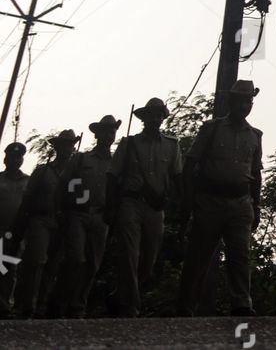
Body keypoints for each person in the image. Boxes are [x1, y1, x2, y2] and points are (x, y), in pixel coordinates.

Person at [176, 81, 262, 316]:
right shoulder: (212, 129)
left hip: (241, 202)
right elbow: (190, 164)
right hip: (209, 200)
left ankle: (242, 303)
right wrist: (189, 200)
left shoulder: (255, 136)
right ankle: (186, 306)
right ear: (231, 101)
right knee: (198, 256)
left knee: (240, 255)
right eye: (240, 100)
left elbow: (256, 174)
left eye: (248, 101)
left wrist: (257, 206)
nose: (244, 105)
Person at [110, 98, 181, 318]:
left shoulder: (172, 145)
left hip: (155, 206)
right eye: (151, 114)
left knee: (148, 260)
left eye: (158, 114)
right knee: (130, 255)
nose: (155, 118)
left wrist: (179, 207)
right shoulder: (128, 144)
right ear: (144, 118)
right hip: (130, 203)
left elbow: (177, 177)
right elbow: (112, 177)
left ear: (162, 118)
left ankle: (119, 295)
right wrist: (110, 208)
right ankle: (132, 306)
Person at [55, 114, 118, 317]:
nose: (109, 134)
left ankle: (77, 305)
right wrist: (63, 210)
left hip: (102, 216)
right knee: (75, 259)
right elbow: (64, 184)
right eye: (105, 130)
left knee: (93, 263)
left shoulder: (117, 162)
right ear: (97, 134)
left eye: (112, 130)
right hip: (79, 213)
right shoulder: (81, 158)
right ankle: (60, 300)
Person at [12, 130, 78, 318]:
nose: (66, 148)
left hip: (61, 222)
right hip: (40, 219)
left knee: (52, 265)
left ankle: (42, 306)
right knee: (36, 261)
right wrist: (20, 225)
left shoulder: (74, 174)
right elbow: (28, 199)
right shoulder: (42, 171)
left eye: (69, 144)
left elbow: (76, 199)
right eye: (62, 144)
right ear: (56, 147)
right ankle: (26, 305)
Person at [0, 141, 30, 319]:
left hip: (16, 233)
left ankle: (5, 306)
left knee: (10, 269)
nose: (15, 160)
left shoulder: (28, 181)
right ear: (6, 159)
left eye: (18, 157)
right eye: (12, 156)